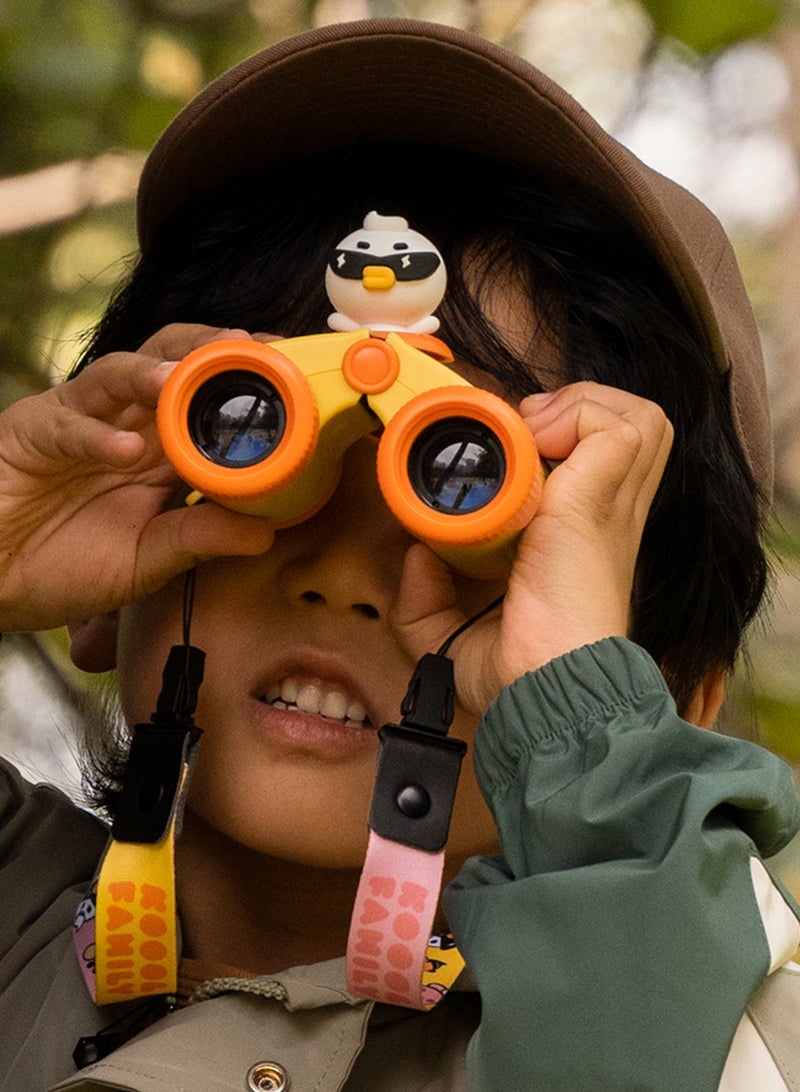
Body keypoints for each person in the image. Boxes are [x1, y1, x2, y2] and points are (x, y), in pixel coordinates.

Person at [1, 18, 799, 1092]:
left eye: (468, 492)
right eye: (252, 442)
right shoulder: (22, 911)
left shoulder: (701, 1034)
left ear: (654, 699)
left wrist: (588, 753)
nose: (344, 580)